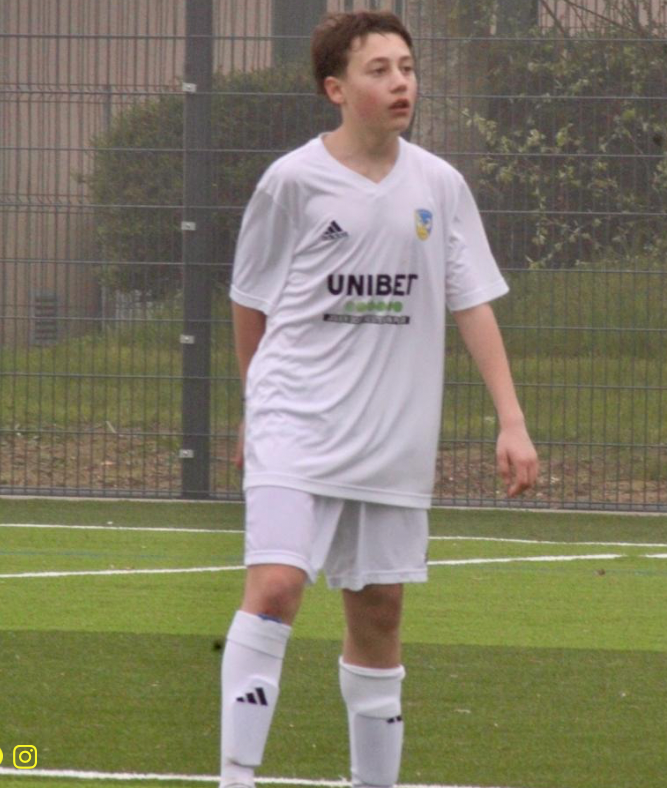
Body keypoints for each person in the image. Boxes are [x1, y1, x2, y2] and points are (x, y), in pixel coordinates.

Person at [220, 10, 539, 788]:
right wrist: (257, 409)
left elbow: (472, 302)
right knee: (276, 587)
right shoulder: (291, 182)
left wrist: (512, 421)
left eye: (407, 68)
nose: (401, 83)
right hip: (297, 421)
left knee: (378, 612)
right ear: (336, 89)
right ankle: (235, 778)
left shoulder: (439, 185)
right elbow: (249, 301)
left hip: (393, 438)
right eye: (379, 70)